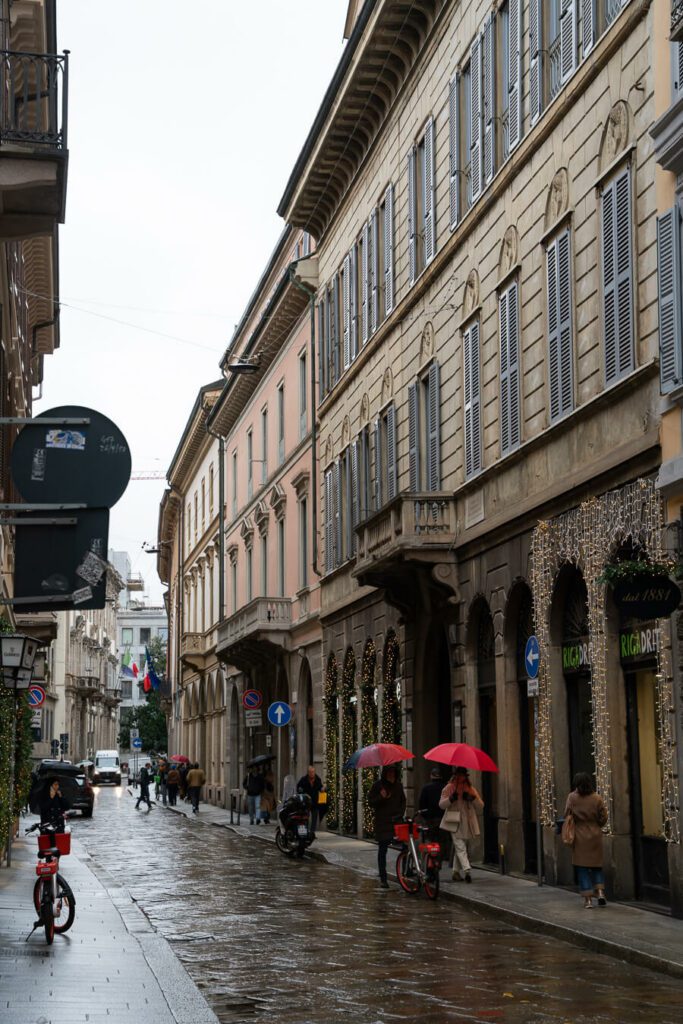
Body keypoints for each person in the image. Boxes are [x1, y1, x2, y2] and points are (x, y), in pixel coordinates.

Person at [563, 772, 609, 909]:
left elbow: (566, 814)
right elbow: (604, 816)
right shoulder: (597, 798)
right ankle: (600, 892)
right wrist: (597, 825)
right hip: (595, 834)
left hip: (579, 834)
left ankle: (588, 900)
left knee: (582, 868)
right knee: (596, 866)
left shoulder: (572, 797)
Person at [439, 767, 483, 883]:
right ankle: (467, 869)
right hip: (454, 821)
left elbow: (480, 805)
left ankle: (455, 872)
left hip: (467, 822)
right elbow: (441, 805)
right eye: (459, 775)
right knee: (460, 846)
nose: (461, 778)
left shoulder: (470, 788)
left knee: (461, 846)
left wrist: (471, 798)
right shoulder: (449, 788)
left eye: (463, 775)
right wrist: (450, 799)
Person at [368, 766, 406, 889]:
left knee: (405, 846)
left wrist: (399, 814)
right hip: (383, 823)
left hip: (396, 822)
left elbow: (403, 802)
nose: (391, 774)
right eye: (389, 772)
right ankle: (383, 879)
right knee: (382, 850)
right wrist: (381, 797)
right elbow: (371, 802)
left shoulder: (399, 786)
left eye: (393, 772)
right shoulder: (378, 786)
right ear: (385, 773)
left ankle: (405, 872)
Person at [419, 767, 446, 843]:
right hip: (442, 819)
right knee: (442, 841)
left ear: (431, 776)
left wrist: (425, 815)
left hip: (429, 820)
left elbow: (421, 805)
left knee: (429, 840)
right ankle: (442, 854)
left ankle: (428, 854)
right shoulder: (445, 787)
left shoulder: (426, 788)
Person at [297, 765, 324, 837]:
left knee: (314, 819)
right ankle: (305, 832)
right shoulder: (303, 779)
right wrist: (301, 791)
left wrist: (322, 789)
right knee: (306, 817)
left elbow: (320, 787)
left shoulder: (318, 779)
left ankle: (312, 833)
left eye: (313, 772)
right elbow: (298, 787)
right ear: (308, 773)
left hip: (315, 802)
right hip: (306, 802)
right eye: (310, 772)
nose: (312, 773)